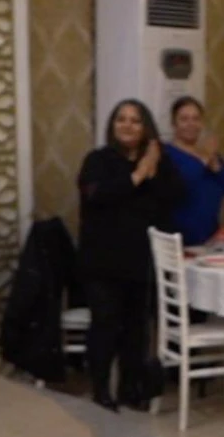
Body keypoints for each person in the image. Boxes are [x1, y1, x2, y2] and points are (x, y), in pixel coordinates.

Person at [77, 99, 183, 411]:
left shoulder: (158, 161)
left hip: (141, 260)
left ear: (145, 127)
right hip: (102, 260)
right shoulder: (98, 160)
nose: (127, 125)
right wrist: (138, 175)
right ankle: (100, 388)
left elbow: (176, 196)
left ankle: (130, 388)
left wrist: (155, 167)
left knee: (137, 328)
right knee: (106, 323)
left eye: (135, 120)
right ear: (112, 126)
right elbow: (97, 195)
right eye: (121, 119)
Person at [164, 96, 224, 245]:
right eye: (184, 119)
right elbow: (181, 186)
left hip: (210, 241)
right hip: (178, 241)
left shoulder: (209, 153)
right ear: (174, 123)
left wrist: (216, 165)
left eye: (196, 119)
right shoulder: (165, 154)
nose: (191, 124)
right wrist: (204, 160)